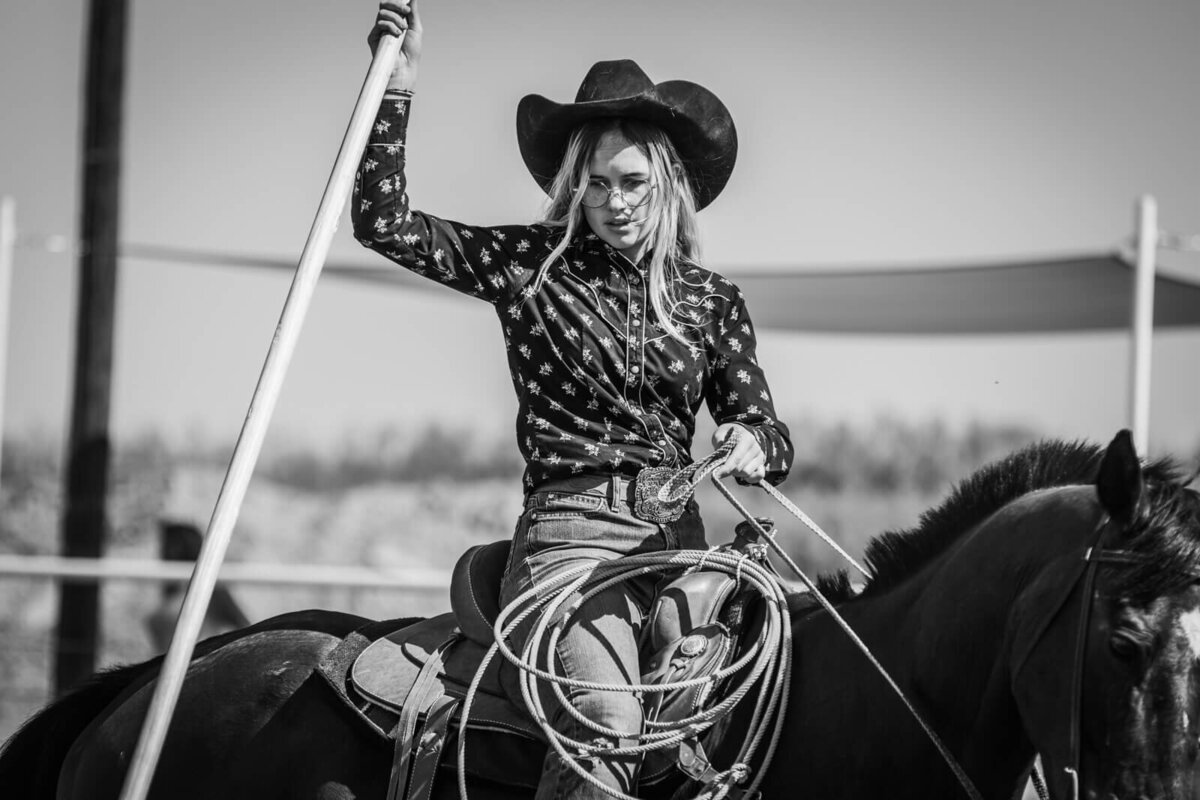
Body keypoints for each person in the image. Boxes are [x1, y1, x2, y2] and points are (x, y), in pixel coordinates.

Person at [355, 3, 794, 798]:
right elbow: (383, 223)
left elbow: (766, 427)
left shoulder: (711, 299)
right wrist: (399, 87)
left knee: (772, 702)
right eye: (596, 184)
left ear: (666, 183)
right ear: (573, 186)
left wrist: (754, 441)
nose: (614, 202)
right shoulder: (529, 266)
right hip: (569, 543)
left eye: (632, 182)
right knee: (607, 722)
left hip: (680, 544)